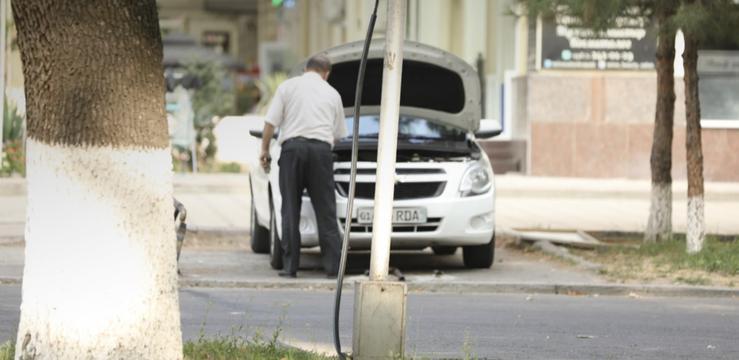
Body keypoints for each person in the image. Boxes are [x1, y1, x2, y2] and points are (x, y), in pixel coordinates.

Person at [259, 55, 347, 278]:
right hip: (320, 152)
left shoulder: (287, 87)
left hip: (292, 151)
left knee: (290, 209)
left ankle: (291, 268)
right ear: (326, 73)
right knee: (325, 211)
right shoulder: (332, 93)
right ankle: (333, 269)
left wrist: (264, 150)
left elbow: (270, 123)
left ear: (306, 69)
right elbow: (337, 135)